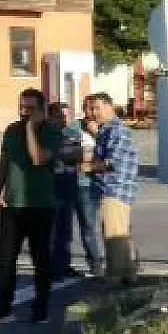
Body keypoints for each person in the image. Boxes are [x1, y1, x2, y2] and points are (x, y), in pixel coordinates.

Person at [0, 88, 63, 325]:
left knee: (41, 259)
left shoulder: (53, 132)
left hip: (40, 204)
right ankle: (2, 307)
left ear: (42, 110)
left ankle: (41, 308)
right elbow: (4, 159)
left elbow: (38, 158)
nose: (24, 112)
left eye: (30, 108)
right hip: (12, 204)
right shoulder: (11, 130)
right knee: (6, 258)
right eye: (21, 107)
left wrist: (30, 128)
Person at [84, 93, 140, 286]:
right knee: (121, 232)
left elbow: (112, 161)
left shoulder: (116, 129)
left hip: (115, 188)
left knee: (113, 234)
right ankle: (129, 273)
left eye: (96, 108)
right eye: (90, 109)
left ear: (109, 106)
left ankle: (114, 277)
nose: (92, 113)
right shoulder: (107, 129)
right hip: (114, 188)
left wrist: (87, 167)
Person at [48, 100, 103, 279]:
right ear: (51, 117)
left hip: (85, 184)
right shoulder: (49, 133)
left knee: (88, 226)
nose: (64, 119)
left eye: (67, 115)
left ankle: (95, 265)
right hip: (61, 184)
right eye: (59, 115)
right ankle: (61, 266)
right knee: (62, 229)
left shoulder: (83, 128)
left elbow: (101, 150)